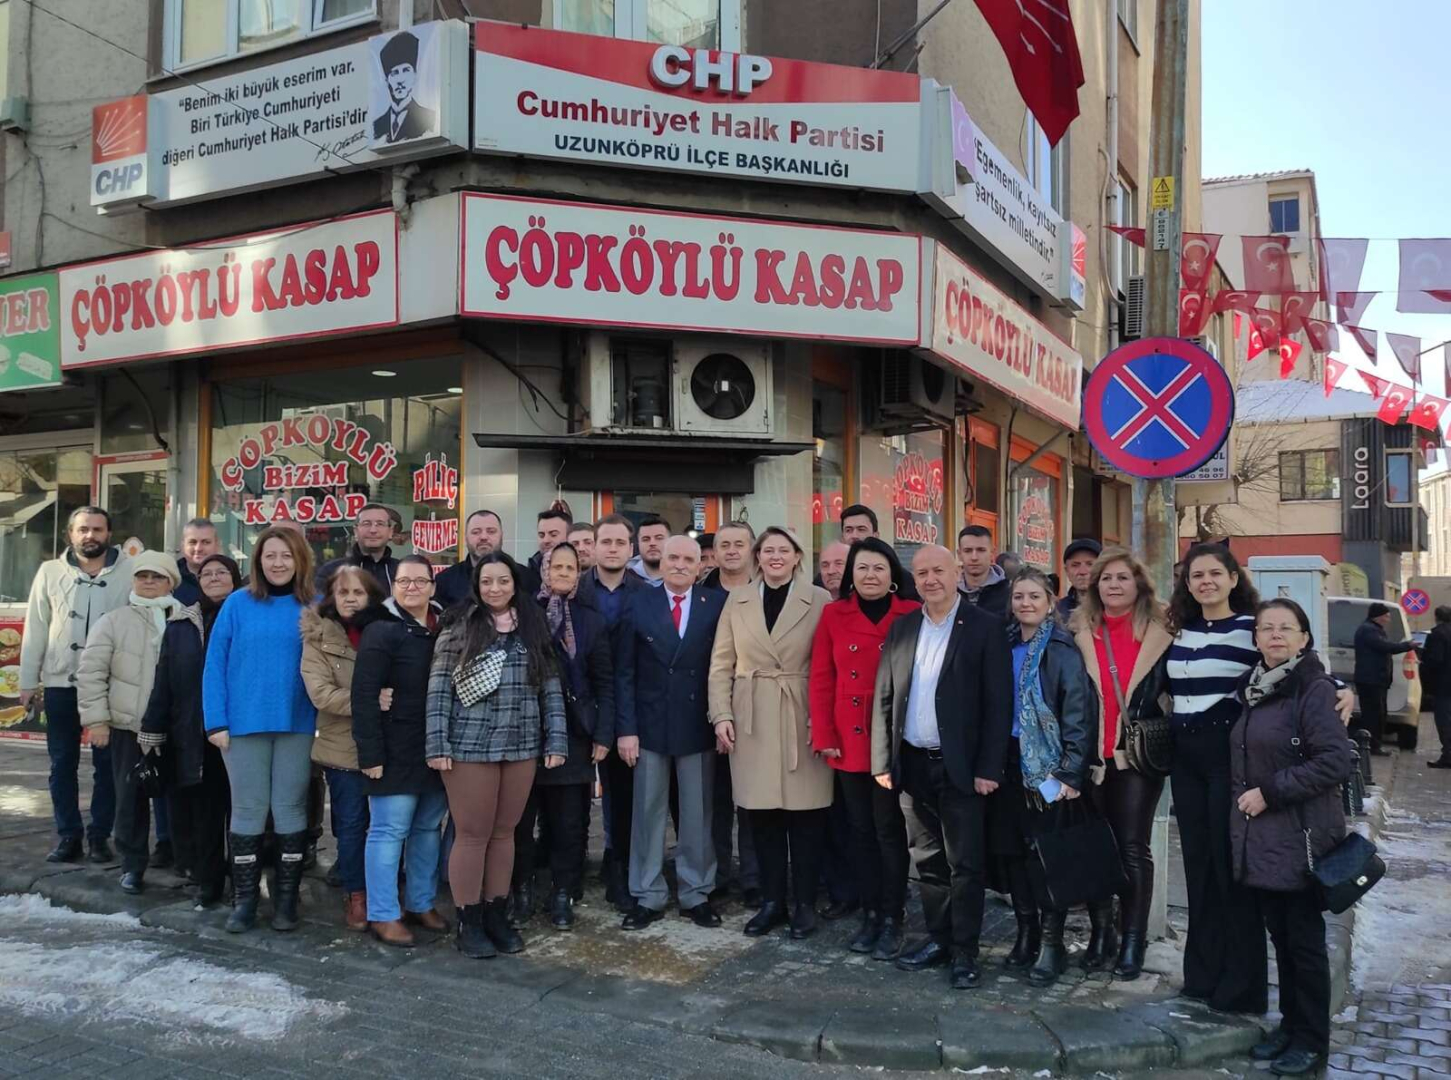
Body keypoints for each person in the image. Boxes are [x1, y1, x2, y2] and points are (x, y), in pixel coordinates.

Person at [871, 545, 1012, 990]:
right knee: (928, 860)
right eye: (921, 573)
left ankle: (965, 952)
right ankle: (938, 938)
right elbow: (885, 697)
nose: (930, 580)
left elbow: (998, 704)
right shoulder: (903, 627)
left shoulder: (984, 627)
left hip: (963, 767)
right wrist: (883, 760)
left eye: (938, 571)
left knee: (965, 863)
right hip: (912, 764)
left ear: (957, 573)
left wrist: (989, 767)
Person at [1231, 599, 1355, 1077]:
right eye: (1266, 628)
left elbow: (1334, 761)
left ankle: (1312, 1040)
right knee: (1281, 938)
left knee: (1304, 943)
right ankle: (1290, 1025)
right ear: (1256, 638)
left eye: (1286, 628)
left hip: (1301, 835)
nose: (1275, 635)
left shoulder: (1314, 690)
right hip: (1266, 838)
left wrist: (1270, 792)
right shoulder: (1255, 687)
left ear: (1304, 638)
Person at [427, 552, 567, 959]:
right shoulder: (459, 626)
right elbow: (439, 689)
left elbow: (550, 687)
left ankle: (495, 914)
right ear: (476, 585)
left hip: (522, 744)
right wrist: (437, 745)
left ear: (515, 584)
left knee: (505, 834)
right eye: (486, 581)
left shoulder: (532, 627)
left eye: (503, 580)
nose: (495, 588)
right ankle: (469, 921)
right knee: (473, 834)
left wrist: (556, 739)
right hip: (469, 746)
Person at [710, 527, 832, 938]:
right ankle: (771, 902)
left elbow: (828, 663)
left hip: (802, 713)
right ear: (758, 557)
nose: (776, 556)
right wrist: (721, 714)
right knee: (761, 816)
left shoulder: (819, 599)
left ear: (798, 556)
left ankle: (805, 904)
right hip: (753, 716)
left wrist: (822, 719)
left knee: (806, 815)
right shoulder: (738, 599)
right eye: (768, 550)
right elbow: (721, 663)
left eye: (784, 550)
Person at [1166, 542, 1269, 1012]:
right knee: (1198, 866)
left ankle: (1242, 985)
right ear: (1187, 584)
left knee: (1230, 867)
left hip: (1227, 757)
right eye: (1196, 575)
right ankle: (1202, 974)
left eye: (1214, 573)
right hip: (1185, 758)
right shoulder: (1180, 629)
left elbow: (1296, 665)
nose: (1205, 582)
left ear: (1232, 578)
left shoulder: (1252, 628)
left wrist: (1340, 690)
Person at [203, 526, 318, 934]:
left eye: (286, 555)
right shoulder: (237, 603)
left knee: (290, 808)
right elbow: (214, 663)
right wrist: (215, 720)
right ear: (258, 561)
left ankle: (286, 901)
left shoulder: (316, 605)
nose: (278, 563)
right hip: (242, 725)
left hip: (299, 723)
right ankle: (245, 901)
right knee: (248, 809)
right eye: (270, 555)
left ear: (299, 559)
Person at [809, 537, 918, 959]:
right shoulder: (833, 614)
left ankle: (893, 915)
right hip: (850, 736)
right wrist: (824, 735)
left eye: (878, 568)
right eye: (862, 568)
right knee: (860, 830)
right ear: (850, 575)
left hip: (893, 737)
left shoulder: (911, 613)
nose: (870, 575)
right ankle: (871, 912)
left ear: (892, 575)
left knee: (888, 830)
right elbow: (822, 678)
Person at [988, 568, 1095, 987]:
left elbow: (1078, 714)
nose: (1026, 603)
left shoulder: (1062, 650)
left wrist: (1070, 771)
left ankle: (1052, 943)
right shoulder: (1003, 644)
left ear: (1050, 602)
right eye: (1019, 596)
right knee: (1013, 852)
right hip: (1007, 762)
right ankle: (1026, 932)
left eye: (1034, 596)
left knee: (1046, 855)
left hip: (1048, 768)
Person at [1070, 547, 1172, 979]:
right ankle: (1101, 934)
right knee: (1095, 848)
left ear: (1139, 584)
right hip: (1090, 755)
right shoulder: (1078, 629)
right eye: (1106, 578)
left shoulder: (1164, 629)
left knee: (1132, 848)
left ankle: (1133, 939)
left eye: (1122, 578)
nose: (1113, 585)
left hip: (1135, 755)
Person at [615, 535, 725, 929]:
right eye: (672, 557)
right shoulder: (637, 601)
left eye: (688, 559)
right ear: (660, 562)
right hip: (648, 725)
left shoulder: (716, 604)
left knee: (697, 813)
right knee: (647, 813)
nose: (679, 564)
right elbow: (624, 671)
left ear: (700, 566)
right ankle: (647, 894)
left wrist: (722, 719)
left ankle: (697, 893)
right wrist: (626, 729)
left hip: (697, 722)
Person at [20, 506, 131, 865]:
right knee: (62, 764)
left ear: (108, 534)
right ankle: (69, 835)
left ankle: (100, 836)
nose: (90, 535)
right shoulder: (50, 572)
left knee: (107, 767)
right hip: (60, 683)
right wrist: (28, 680)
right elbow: (36, 628)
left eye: (97, 529)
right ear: (70, 534)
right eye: (83, 529)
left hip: (109, 686)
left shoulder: (129, 571)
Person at [351, 555, 449, 948]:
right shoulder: (381, 630)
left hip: (435, 746)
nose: (412, 587)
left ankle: (420, 902)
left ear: (432, 586)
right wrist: (370, 754)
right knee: (389, 831)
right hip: (393, 749)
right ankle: (383, 913)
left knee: (427, 829)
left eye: (420, 581)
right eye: (404, 581)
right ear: (393, 587)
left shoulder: (444, 628)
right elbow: (363, 695)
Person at [515, 542, 613, 930]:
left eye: (570, 568)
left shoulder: (591, 620)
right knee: (522, 821)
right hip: (526, 731)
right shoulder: (523, 613)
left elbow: (604, 682)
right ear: (544, 570)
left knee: (569, 823)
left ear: (578, 574)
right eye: (556, 566)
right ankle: (522, 889)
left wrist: (603, 733)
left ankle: (563, 892)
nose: (563, 573)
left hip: (575, 733)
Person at [76, 551, 182, 895]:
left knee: (182, 797)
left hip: (176, 727)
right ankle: (132, 866)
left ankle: (185, 860)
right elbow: (91, 673)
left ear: (171, 582)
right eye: (142, 575)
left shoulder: (185, 619)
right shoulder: (113, 621)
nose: (149, 582)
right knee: (130, 799)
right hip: (128, 727)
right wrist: (97, 721)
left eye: (157, 576)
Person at [140, 554, 241, 909]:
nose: (213, 578)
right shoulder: (182, 624)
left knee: (243, 814)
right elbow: (164, 679)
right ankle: (208, 881)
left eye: (222, 572)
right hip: (195, 733)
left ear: (236, 577)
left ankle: (243, 883)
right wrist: (152, 727)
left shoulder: (247, 615)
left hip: (241, 733)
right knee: (205, 814)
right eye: (206, 573)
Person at [300, 565, 388, 932]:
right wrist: (369, 701)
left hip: (387, 745)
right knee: (351, 825)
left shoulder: (386, 630)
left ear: (372, 597)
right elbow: (320, 693)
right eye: (343, 592)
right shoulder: (318, 636)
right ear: (331, 597)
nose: (350, 599)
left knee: (387, 825)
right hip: (341, 745)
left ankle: (386, 890)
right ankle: (357, 894)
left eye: (358, 592)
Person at [578, 514, 648, 909]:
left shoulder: (645, 593)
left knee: (622, 798)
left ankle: (618, 869)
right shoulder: (575, 589)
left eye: (620, 542)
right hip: (578, 706)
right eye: (605, 541)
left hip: (625, 709)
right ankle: (567, 875)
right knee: (572, 798)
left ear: (630, 549)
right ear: (593, 545)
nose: (612, 549)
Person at [697, 520, 760, 905]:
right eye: (725, 545)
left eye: (740, 544)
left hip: (757, 713)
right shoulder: (700, 594)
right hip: (707, 710)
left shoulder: (765, 592)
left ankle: (754, 878)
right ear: (715, 552)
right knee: (714, 800)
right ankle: (717, 874)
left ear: (752, 549)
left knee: (752, 800)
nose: (732, 551)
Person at [1353, 603, 1415, 756]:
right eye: (1386, 616)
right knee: (1374, 716)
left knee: (1378, 714)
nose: (1388, 619)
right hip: (1371, 680)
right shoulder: (1369, 630)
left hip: (1376, 680)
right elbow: (1386, 647)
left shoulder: (1373, 629)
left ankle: (1373, 745)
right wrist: (1408, 645)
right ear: (1378, 616)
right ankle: (1372, 747)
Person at [838, 505, 920, 601]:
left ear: (876, 535)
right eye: (848, 530)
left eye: (861, 529)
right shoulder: (831, 571)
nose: (854, 535)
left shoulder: (900, 576)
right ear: (842, 537)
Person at [316, 503, 400, 592]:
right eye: (366, 524)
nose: (373, 530)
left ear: (390, 532)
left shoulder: (401, 571)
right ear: (356, 531)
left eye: (380, 524)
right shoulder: (331, 571)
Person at [372, 30, 437, 143]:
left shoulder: (431, 121)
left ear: (415, 75)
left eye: (406, 70)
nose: (400, 80)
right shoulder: (377, 126)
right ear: (387, 80)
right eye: (395, 73)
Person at [957, 526, 1008, 616]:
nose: (974, 557)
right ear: (959, 554)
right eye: (968, 551)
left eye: (981, 550)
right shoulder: (949, 593)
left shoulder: (1009, 593)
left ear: (992, 553)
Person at [1424, 605, 1451, 768]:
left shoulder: (1438, 635)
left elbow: (1434, 661)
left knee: (1444, 721)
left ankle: (1448, 755)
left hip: (1443, 685)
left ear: (1436, 617)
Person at [174, 518, 219, 607]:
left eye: (206, 542)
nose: (198, 548)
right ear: (183, 546)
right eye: (192, 542)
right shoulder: (170, 579)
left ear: (217, 545)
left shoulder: (229, 579)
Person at [1057, 538, 1102, 622]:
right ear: (1067, 571)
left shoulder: (1115, 606)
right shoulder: (1057, 611)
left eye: (1090, 564)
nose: (1082, 572)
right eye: (1075, 565)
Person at [529, 507, 573, 582]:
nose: (546, 540)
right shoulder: (527, 575)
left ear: (569, 537)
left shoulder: (585, 578)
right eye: (541, 535)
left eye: (553, 535)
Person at [627, 514, 670, 586]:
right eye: (646, 539)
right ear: (638, 543)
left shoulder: (685, 579)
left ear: (670, 542)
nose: (652, 543)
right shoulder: (623, 577)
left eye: (659, 538)